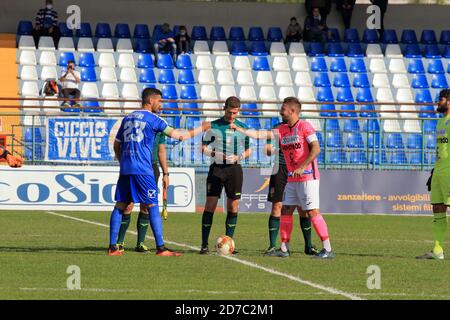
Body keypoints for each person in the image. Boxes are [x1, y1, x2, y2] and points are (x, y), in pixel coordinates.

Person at [108, 88, 209, 256]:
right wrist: (202, 127)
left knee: (120, 205)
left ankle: (113, 247)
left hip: (126, 168)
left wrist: (123, 162)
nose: (161, 105)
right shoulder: (154, 119)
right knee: (152, 205)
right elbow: (180, 136)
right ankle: (161, 248)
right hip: (143, 169)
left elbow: (117, 145)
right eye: (159, 101)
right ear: (150, 101)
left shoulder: (127, 118)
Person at [231, 97, 334, 259]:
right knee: (286, 210)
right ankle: (284, 248)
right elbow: (259, 135)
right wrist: (240, 129)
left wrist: (302, 166)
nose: (281, 111)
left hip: (308, 177)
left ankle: (327, 248)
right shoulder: (282, 129)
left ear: (292, 111)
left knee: (312, 211)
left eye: (283, 109)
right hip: (293, 179)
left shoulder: (305, 126)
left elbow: (316, 148)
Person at [199, 96, 252, 254]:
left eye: (235, 113)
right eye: (230, 112)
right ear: (224, 108)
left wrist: (239, 157)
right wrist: (216, 153)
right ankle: (204, 244)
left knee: (233, 206)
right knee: (210, 205)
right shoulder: (214, 125)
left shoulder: (242, 128)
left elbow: (249, 150)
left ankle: (229, 242)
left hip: (234, 170)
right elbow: (202, 147)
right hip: (217, 169)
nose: (232, 116)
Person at [263, 122, 318, 257]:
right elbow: (268, 150)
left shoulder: (301, 127)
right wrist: (279, 148)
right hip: (280, 168)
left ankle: (308, 245)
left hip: (298, 169)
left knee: (303, 209)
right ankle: (272, 246)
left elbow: (311, 147)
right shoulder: (276, 128)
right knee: (277, 206)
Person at [116, 130, 169, 253]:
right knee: (127, 205)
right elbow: (119, 144)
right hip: (135, 166)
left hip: (151, 168)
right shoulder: (137, 123)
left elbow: (161, 151)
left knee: (146, 205)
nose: (159, 109)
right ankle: (119, 242)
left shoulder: (160, 126)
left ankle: (140, 243)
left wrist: (166, 173)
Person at [417, 89, 450, 260]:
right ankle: (437, 251)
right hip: (439, 172)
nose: (438, 102)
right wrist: (434, 171)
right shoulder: (440, 123)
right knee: (438, 208)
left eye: (441, 99)